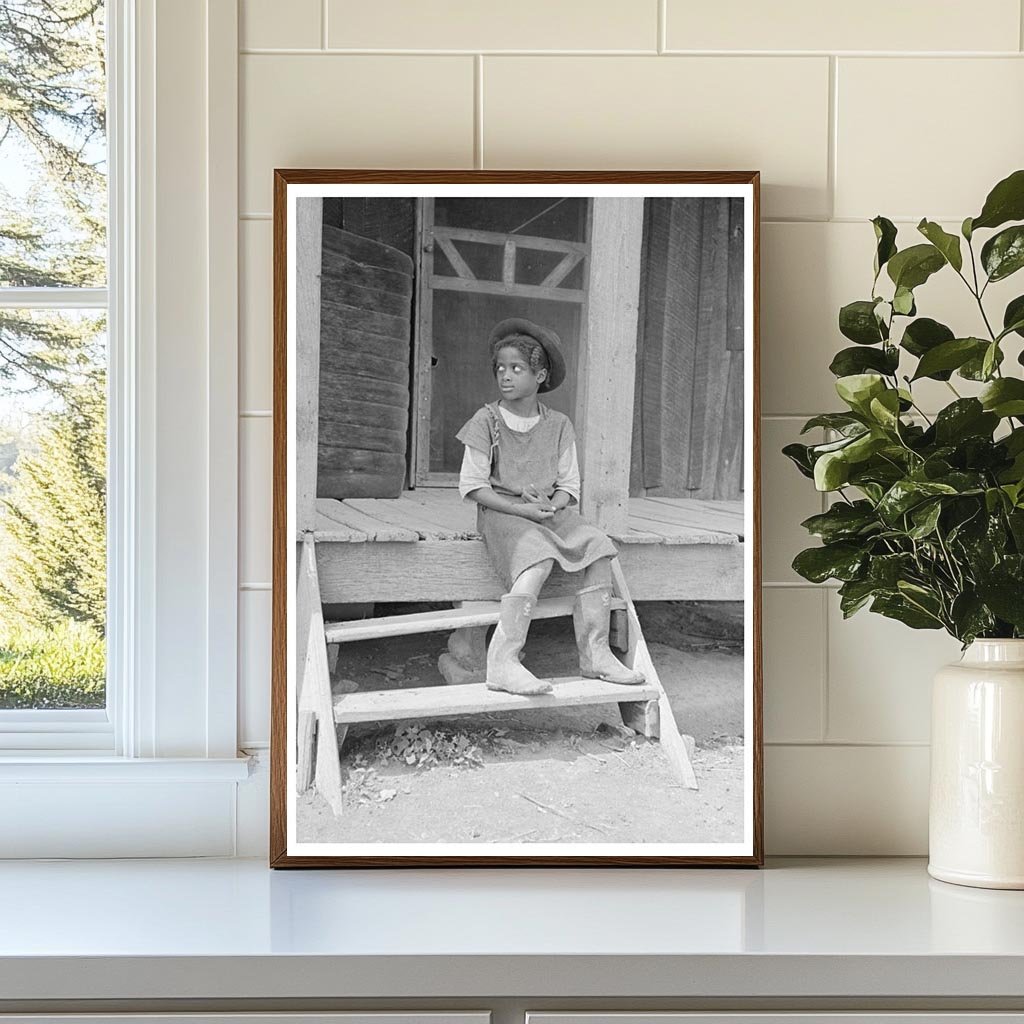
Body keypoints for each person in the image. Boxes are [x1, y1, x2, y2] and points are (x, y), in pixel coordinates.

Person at [456, 317, 645, 696]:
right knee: (538, 556)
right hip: (503, 512)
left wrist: (551, 504)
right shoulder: (486, 420)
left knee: (598, 546)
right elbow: (473, 486)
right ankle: (503, 661)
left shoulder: (558, 424)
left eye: (516, 369)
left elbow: (568, 486)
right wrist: (521, 511)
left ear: (540, 376)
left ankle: (596, 654)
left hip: (545, 510)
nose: (505, 375)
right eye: (500, 368)